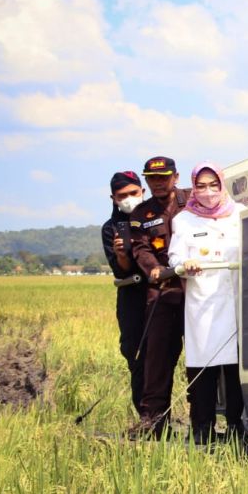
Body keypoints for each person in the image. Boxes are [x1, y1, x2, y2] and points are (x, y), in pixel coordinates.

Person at [168, 162, 245, 445]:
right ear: (193, 188)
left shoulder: (240, 214)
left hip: (236, 295)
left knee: (236, 367)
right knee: (204, 366)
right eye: (201, 186)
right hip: (203, 300)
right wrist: (184, 263)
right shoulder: (184, 220)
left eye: (213, 184)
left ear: (222, 184)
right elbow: (174, 258)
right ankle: (202, 427)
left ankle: (238, 425)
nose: (208, 192)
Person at [127, 156, 190, 438]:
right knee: (157, 359)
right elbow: (140, 249)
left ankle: (204, 418)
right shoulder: (141, 213)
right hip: (163, 292)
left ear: (176, 177)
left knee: (203, 358)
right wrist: (154, 270)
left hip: (197, 292)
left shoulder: (193, 201)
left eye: (164, 177)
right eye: (152, 179)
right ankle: (152, 421)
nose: (158, 183)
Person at [101, 170, 147, 415]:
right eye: (122, 195)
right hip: (132, 299)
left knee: (165, 358)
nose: (129, 199)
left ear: (143, 192)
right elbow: (121, 272)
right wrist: (121, 254)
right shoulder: (111, 229)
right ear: (113, 198)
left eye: (133, 193)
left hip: (164, 294)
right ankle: (150, 421)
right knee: (137, 358)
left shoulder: (155, 218)